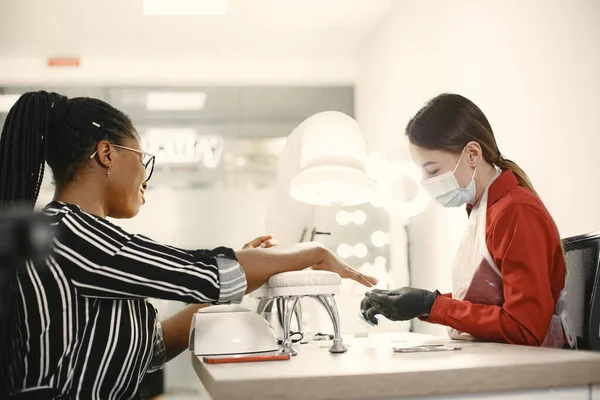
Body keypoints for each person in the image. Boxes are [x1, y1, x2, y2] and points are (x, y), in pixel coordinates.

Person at [0, 91, 377, 400]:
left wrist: (246, 268)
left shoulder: (72, 233)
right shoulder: (74, 234)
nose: (145, 181)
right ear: (107, 154)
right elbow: (211, 274)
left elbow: (152, 349)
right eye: (143, 161)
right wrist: (312, 253)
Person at [360, 93, 575, 348]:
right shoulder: (481, 209)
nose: (426, 182)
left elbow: (525, 328)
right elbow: (489, 303)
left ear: (472, 154)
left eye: (432, 170)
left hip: (535, 367)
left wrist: (432, 304)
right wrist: (418, 303)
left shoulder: (515, 211)